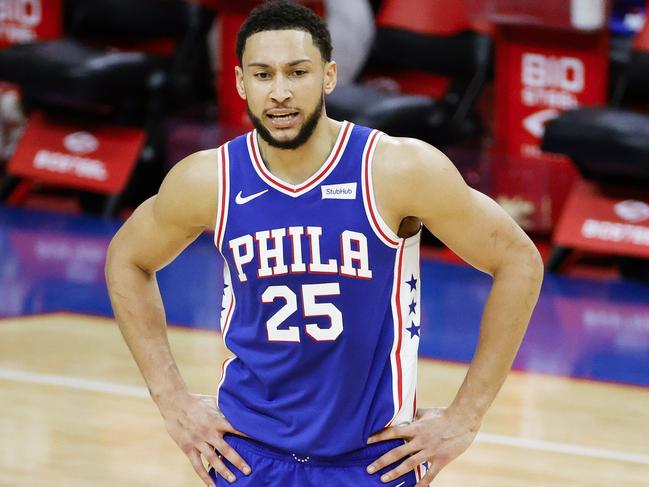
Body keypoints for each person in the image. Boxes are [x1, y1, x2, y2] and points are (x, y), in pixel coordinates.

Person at [105, 2, 544, 486]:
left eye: (297, 72)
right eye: (263, 74)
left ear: (329, 76)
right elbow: (127, 258)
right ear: (239, 82)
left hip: (371, 461)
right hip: (247, 458)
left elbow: (518, 261)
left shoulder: (397, 170)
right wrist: (173, 402)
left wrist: (466, 417)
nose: (280, 93)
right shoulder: (210, 179)